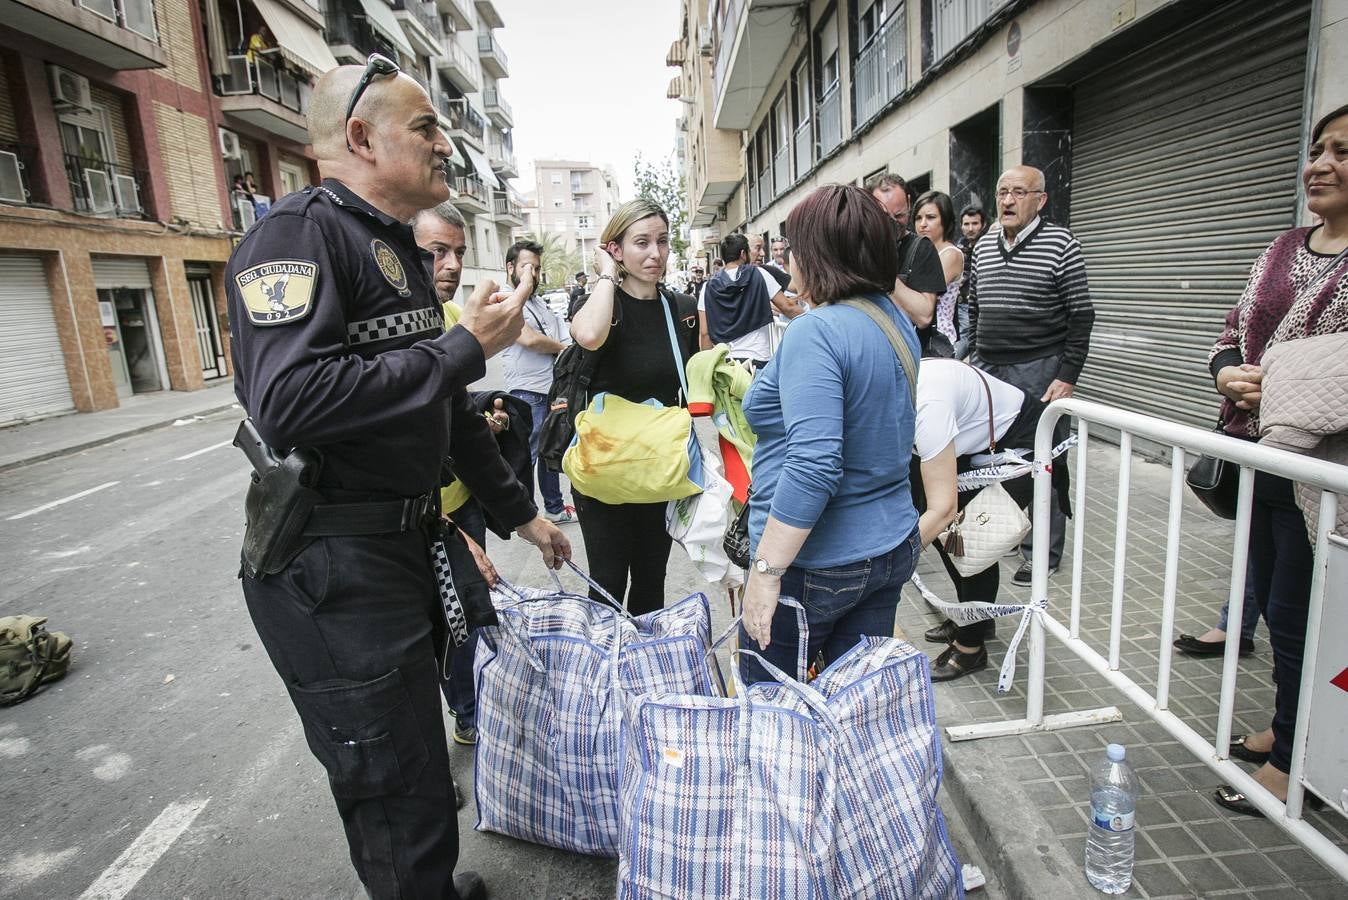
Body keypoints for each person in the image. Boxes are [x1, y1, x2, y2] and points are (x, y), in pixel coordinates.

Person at [225, 57, 570, 900]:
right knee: (388, 784)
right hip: (332, 566)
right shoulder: (296, 236)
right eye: (425, 127)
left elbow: (445, 412)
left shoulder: (395, 249)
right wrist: (462, 348)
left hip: (398, 549)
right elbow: (287, 401)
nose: (446, 143)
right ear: (359, 138)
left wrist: (521, 515)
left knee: (417, 757)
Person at [1207, 104, 1348, 818]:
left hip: (1323, 471)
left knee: (1308, 614)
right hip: (1260, 450)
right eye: (1318, 148)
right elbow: (1233, 330)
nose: (1320, 164)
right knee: (1273, 599)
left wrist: (1286, 377)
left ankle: (1302, 764)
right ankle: (1286, 729)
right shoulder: (1285, 243)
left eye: (1343, 152)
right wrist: (1228, 371)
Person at [737, 184, 921, 684]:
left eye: (791, 248)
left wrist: (766, 573)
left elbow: (814, 466)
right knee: (852, 711)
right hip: (888, 547)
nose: (787, 259)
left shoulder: (816, 332)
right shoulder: (892, 319)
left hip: (816, 563)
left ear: (814, 255)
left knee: (777, 722)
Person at [412, 200, 514, 752]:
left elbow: (450, 412)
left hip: (458, 496)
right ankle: (438, 734)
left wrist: (485, 409)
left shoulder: (454, 322)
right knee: (427, 628)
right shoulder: (389, 330)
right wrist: (456, 535)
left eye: (458, 252)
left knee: (468, 616)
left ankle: (471, 713)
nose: (451, 265)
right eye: (437, 252)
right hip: (420, 515)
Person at [569, 199, 700, 613]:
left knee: (650, 580)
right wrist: (607, 275)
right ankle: (603, 674)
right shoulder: (599, 307)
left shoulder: (680, 309)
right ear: (616, 249)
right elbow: (589, 335)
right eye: (641, 242)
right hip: (603, 469)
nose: (655, 254)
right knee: (606, 583)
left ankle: (641, 674)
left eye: (662, 241)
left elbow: (691, 385)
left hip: (656, 471)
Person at [967, 165, 1095, 586]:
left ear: (1040, 200)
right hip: (989, 367)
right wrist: (970, 355)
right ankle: (989, 539)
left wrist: (1067, 374)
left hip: (1040, 368)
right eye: (1002, 191)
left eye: (1018, 192)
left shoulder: (1061, 244)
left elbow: (1081, 315)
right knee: (986, 458)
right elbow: (974, 307)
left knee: (1044, 459)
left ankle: (1041, 552)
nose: (1007, 200)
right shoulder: (983, 245)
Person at [910, 359, 1059, 680]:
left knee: (975, 537)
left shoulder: (928, 404)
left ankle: (970, 648)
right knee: (946, 534)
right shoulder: (898, 389)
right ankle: (974, 616)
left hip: (1019, 440)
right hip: (971, 443)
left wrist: (896, 562)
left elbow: (942, 510)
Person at [502, 239, 576, 525]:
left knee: (550, 450)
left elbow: (564, 333)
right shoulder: (506, 298)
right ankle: (522, 513)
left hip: (549, 389)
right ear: (511, 267)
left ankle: (554, 508)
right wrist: (560, 346)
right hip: (526, 391)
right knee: (526, 455)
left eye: (536, 268)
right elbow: (530, 339)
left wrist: (560, 343)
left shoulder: (537, 302)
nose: (533, 274)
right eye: (526, 267)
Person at [864, 171, 947, 348]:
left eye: (900, 215)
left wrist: (883, 272)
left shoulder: (921, 249)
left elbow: (924, 316)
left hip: (911, 356)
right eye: (885, 217)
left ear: (909, 203)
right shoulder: (860, 249)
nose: (893, 222)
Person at [698, 232, 799, 365]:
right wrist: (815, 319)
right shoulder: (759, 274)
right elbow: (788, 307)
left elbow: (704, 333)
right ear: (743, 254)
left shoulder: (707, 286)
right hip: (757, 359)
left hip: (725, 364)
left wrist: (708, 366)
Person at [912, 190, 965, 356]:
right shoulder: (920, 251)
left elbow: (920, 290)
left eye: (931, 217)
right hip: (916, 338)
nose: (923, 224)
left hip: (939, 340)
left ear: (945, 220)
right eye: (918, 218)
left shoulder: (950, 254)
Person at [955, 206, 987, 359]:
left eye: (975, 223)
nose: (971, 228)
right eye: (966, 224)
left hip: (984, 306)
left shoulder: (989, 246)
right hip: (961, 304)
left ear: (983, 225)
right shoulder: (959, 247)